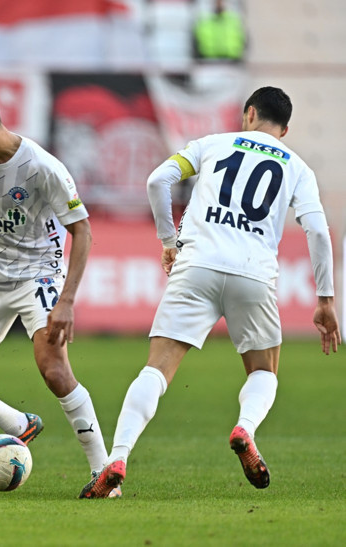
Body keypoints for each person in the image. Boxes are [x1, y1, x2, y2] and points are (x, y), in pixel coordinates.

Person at [79, 87, 340, 498]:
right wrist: (325, 298)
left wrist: (168, 239)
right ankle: (245, 428)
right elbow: (319, 233)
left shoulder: (213, 144)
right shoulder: (298, 168)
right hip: (253, 275)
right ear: (284, 129)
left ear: (249, 113)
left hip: (196, 266)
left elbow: (157, 180)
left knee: (156, 371)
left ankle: (118, 457)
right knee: (263, 372)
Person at [0, 89, 118, 495]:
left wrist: (66, 301)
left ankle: (103, 471)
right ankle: (20, 426)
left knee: (54, 370)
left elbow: (83, 230)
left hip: (37, 277)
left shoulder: (43, 168)